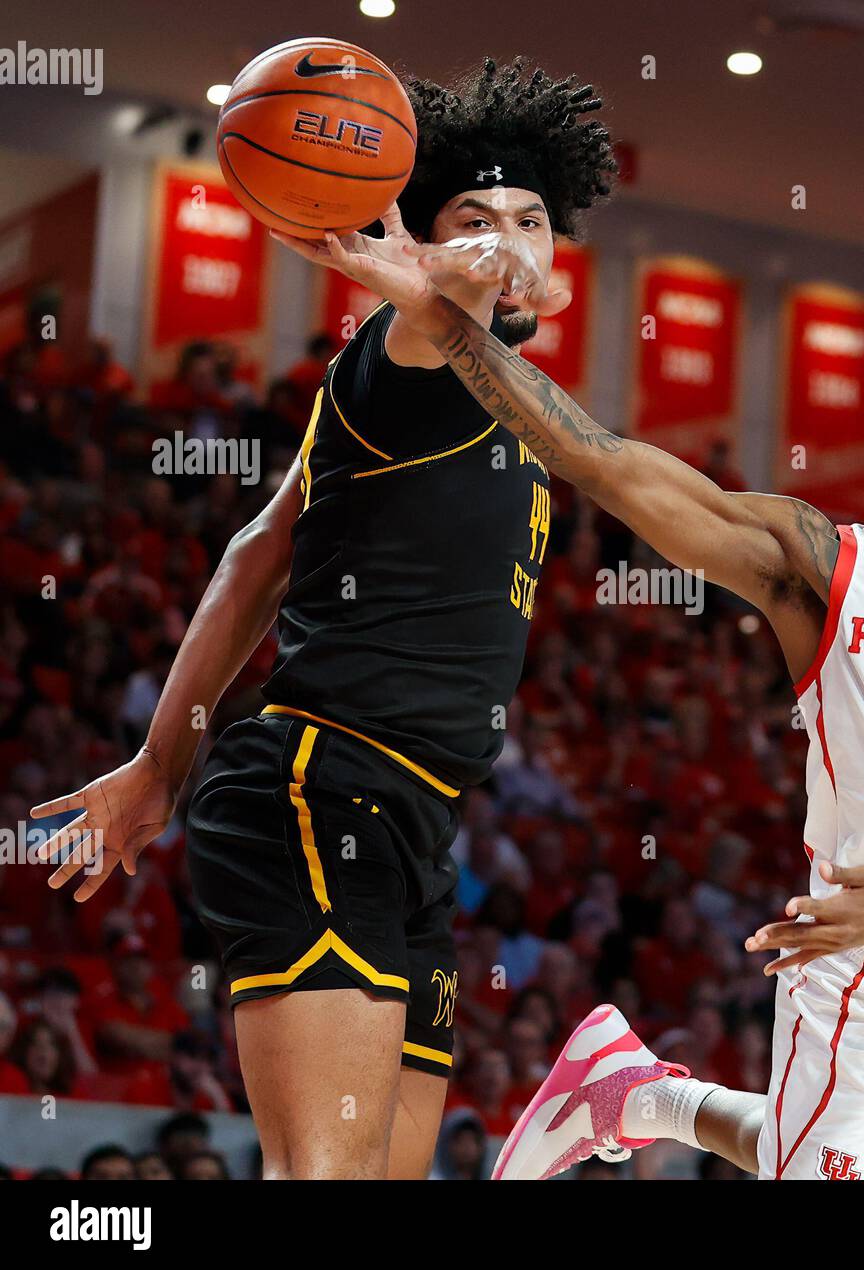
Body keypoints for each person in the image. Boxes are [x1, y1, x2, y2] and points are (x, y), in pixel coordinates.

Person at [277, 195, 864, 1179]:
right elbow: (599, 461)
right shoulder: (818, 562)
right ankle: (640, 1091)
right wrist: (440, 316)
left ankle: (637, 1090)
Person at [30, 56, 616, 1180]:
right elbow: (459, 297)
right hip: (318, 782)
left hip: (419, 819)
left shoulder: (492, 387)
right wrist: (161, 764)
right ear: (416, 236)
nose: (508, 239)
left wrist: (160, 769)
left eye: (533, 219)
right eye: (474, 213)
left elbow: (258, 552)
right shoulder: (410, 353)